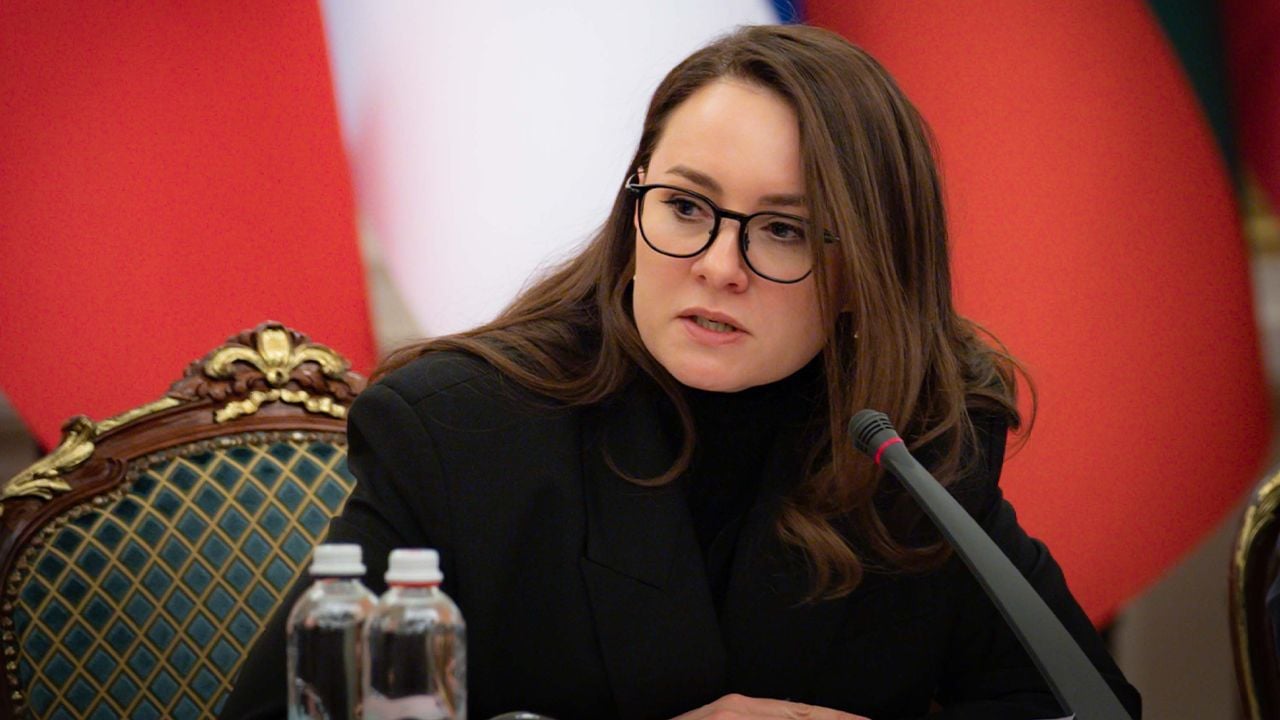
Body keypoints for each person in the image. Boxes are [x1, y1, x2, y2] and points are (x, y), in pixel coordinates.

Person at [221, 24, 1141, 720]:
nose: (718, 266)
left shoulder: (912, 446)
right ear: (635, 209)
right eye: (687, 207)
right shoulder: (461, 431)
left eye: (782, 229)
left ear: (867, 270)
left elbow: (1084, 707)